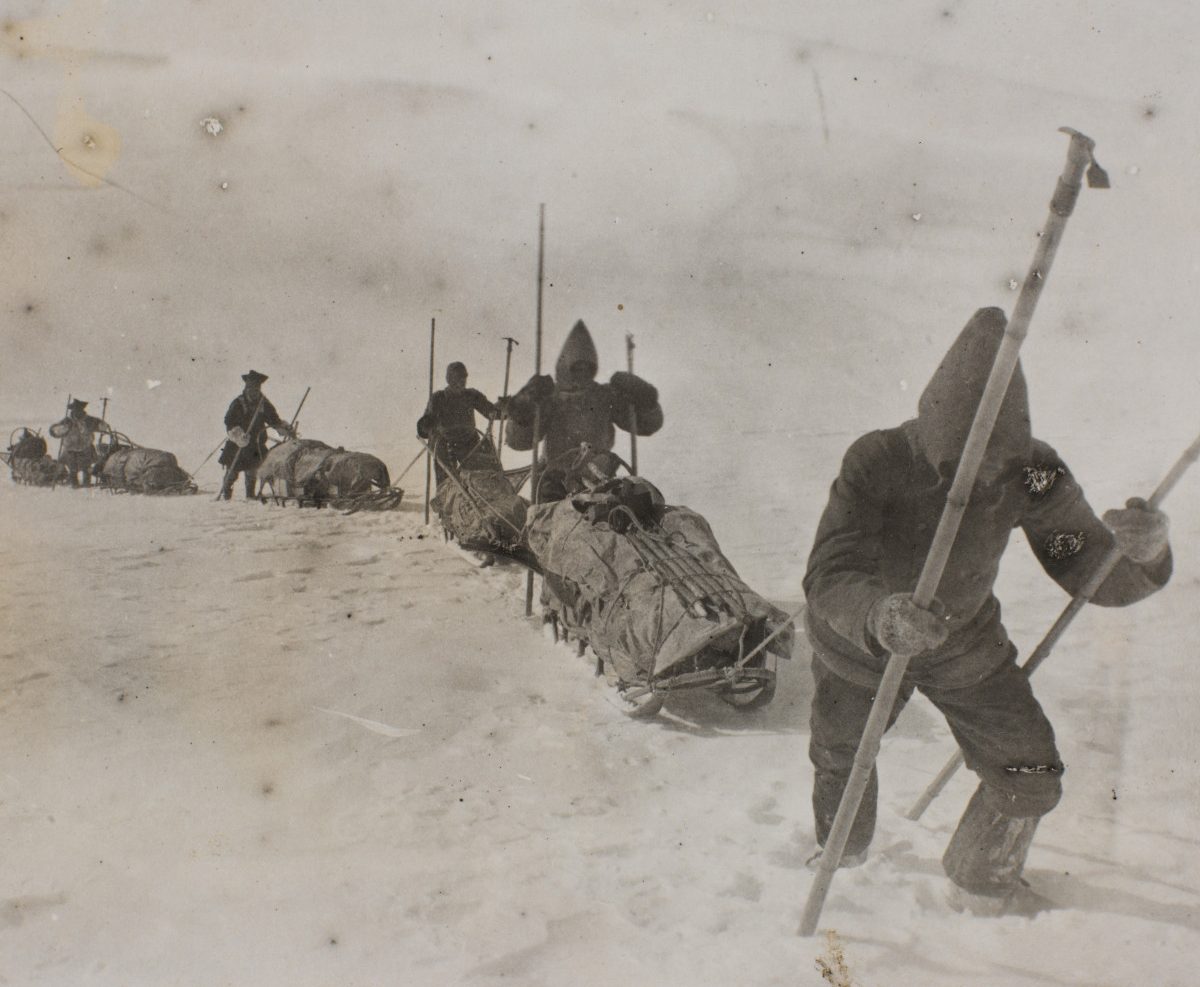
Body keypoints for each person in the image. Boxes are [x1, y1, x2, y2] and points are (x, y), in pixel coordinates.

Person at [802, 306, 1172, 915]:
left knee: (1031, 771)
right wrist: (879, 617)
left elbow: (1082, 564)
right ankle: (844, 861)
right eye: (968, 469)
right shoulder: (879, 459)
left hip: (962, 642)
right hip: (862, 642)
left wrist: (1141, 553)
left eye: (1002, 467)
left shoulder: (1033, 473)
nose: (988, 482)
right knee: (843, 756)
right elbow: (831, 572)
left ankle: (979, 880)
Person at [505, 320, 663, 501]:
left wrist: (647, 402)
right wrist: (521, 412)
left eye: (586, 368)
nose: (581, 373)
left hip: (599, 478)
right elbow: (518, 442)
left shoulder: (604, 396)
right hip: (554, 481)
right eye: (576, 368)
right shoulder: (550, 398)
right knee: (551, 515)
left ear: (592, 367)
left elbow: (645, 425)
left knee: (616, 510)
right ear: (565, 367)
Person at [417, 362, 500, 484]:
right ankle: (446, 492)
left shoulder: (471, 395)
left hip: (469, 443)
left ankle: (482, 493)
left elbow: (491, 411)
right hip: (446, 445)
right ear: (449, 379)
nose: (461, 382)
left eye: (463, 378)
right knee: (447, 483)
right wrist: (427, 424)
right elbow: (424, 428)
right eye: (457, 378)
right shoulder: (438, 398)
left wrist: (505, 409)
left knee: (482, 477)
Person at [218, 370, 295, 500]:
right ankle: (226, 494)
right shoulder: (238, 403)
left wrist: (285, 428)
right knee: (232, 471)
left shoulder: (263, 403)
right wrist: (238, 434)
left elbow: (274, 420)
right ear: (246, 388)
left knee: (252, 470)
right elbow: (229, 421)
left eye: (256, 388)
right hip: (238, 443)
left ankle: (250, 495)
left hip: (255, 443)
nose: (253, 391)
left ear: (259, 388)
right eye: (250, 388)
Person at [48, 399, 112, 487]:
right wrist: (59, 430)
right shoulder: (67, 421)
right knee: (72, 469)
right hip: (70, 449)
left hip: (85, 448)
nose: (76, 412)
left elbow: (102, 426)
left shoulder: (89, 420)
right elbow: (54, 431)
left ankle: (86, 485)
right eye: (74, 410)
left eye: (78, 410)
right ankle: (74, 484)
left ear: (82, 410)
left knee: (87, 468)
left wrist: (102, 425)